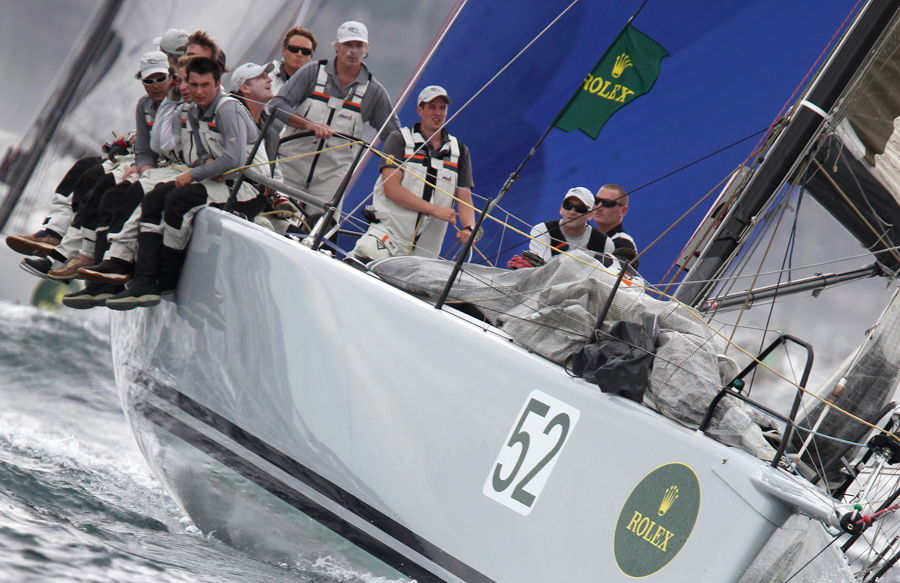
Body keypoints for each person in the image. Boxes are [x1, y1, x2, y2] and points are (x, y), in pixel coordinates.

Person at [105, 56, 268, 310]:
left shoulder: (228, 108)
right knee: (154, 198)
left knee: (177, 201)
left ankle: (168, 280)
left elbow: (235, 160)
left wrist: (196, 174)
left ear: (217, 84)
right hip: (220, 181)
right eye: (193, 85)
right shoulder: (194, 110)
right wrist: (204, 166)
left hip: (247, 189)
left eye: (205, 85)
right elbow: (203, 153)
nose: (198, 91)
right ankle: (144, 281)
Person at [269, 20, 400, 210]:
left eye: (358, 45)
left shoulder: (374, 92)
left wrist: (395, 169)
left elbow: (395, 137)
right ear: (337, 46)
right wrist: (310, 125)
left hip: (330, 182)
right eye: (347, 44)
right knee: (274, 222)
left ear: (366, 48)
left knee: (317, 234)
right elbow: (278, 104)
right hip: (287, 170)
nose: (352, 51)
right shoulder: (312, 72)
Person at [351, 85, 475, 261]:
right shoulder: (399, 139)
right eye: (432, 107)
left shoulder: (459, 151)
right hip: (387, 236)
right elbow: (391, 189)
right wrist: (435, 210)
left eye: (442, 108)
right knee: (365, 257)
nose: (437, 113)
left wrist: (469, 228)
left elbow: (464, 197)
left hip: (425, 253)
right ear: (420, 110)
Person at [507, 187, 613, 269]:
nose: (572, 212)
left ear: (590, 215)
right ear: (562, 209)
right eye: (568, 206)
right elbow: (542, 271)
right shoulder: (542, 230)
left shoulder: (605, 243)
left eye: (580, 209)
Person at [592, 183, 638, 266]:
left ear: (622, 211)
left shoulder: (623, 243)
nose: (599, 207)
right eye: (596, 201)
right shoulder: (588, 236)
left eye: (607, 203)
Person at [270, 27, 317, 95]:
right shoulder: (265, 77)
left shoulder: (316, 88)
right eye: (294, 49)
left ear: (311, 57)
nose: (299, 54)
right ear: (284, 51)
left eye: (306, 51)